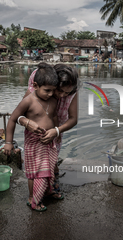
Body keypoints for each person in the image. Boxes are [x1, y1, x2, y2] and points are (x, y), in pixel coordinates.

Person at [17, 64, 79, 199]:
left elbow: (73, 119)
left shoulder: (71, 90)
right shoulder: (42, 83)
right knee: (36, 167)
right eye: (60, 91)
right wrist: (27, 122)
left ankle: (49, 188)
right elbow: (19, 115)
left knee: (52, 161)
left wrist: (56, 131)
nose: (62, 96)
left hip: (56, 130)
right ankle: (33, 196)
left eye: (66, 93)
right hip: (35, 135)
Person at [4, 63, 60, 212]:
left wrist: (57, 132)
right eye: (47, 90)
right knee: (35, 172)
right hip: (33, 142)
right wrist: (8, 142)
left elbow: (54, 116)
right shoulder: (28, 100)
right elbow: (12, 119)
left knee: (49, 169)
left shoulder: (54, 100)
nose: (50, 94)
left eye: (53, 90)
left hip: (49, 141)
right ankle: (32, 198)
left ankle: (47, 191)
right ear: (35, 85)